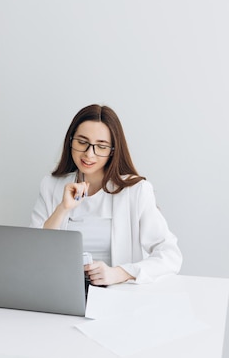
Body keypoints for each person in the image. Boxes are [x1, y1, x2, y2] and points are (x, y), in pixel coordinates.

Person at [30, 104, 182, 285]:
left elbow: (170, 255)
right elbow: (34, 252)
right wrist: (62, 209)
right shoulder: (51, 185)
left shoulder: (136, 191)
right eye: (82, 142)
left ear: (113, 151)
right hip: (59, 290)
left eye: (101, 146)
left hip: (117, 297)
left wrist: (120, 273)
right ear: (70, 141)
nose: (89, 154)